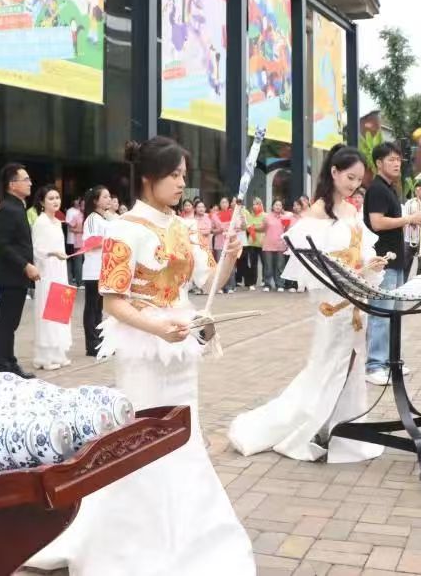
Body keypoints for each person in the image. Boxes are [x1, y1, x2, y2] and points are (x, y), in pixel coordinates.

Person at [28, 137, 253, 576]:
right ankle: (131, 540)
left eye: (184, 176)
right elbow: (114, 301)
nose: (182, 184)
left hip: (180, 346)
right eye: (175, 175)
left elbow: (210, 282)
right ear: (149, 178)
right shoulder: (122, 229)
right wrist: (158, 328)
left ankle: (191, 534)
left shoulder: (185, 228)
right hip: (143, 350)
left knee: (185, 434)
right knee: (141, 439)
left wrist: (230, 257)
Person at [229, 146, 388, 462]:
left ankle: (343, 426)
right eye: (350, 177)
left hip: (357, 298)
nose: (354, 185)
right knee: (330, 363)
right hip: (334, 302)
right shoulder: (315, 215)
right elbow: (315, 268)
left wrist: (371, 264)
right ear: (334, 172)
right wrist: (353, 273)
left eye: (359, 180)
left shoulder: (352, 210)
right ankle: (314, 427)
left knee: (353, 363)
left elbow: (361, 249)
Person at [364, 142, 421, 386]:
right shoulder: (377, 189)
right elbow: (377, 222)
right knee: (382, 313)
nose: (397, 163)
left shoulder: (389, 188)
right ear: (379, 163)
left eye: (398, 159)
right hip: (382, 262)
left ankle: (390, 361)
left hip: (395, 261)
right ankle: (374, 365)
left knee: (394, 314)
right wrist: (408, 218)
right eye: (391, 159)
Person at [0, 163, 39, 377]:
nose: (30, 183)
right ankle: (2, 364)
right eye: (25, 179)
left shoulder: (18, 207)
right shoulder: (7, 209)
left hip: (17, 276)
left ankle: (8, 361)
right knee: (7, 322)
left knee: (11, 322)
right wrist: (25, 265)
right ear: (12, 184)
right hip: (11, 275)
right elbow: (4, 245)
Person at [32, 185, 73, 370]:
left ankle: (59, 353)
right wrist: (53, 253)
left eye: (57, 197)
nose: (55, 201)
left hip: (60, 270)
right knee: (47, 311)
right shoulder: (41, 222)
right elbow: (36, 249)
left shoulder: (57, 222)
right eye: (51, 198)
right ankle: (44, 357)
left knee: (60, 310)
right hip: (47, 271)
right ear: (42, 202)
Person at [81, 185, 112, 357]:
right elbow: (91, 242)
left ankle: (99, 342)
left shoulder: (104, 219)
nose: (109, 199)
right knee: (92, 307)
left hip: (103, 269)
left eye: (109, 196)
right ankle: (91, 344)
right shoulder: (92, 219)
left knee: (99, 308)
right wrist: (110, 240)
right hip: (93, 270)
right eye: (105, 197)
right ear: (95, 201)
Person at [258, 199, 289, 291]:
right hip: (268, 245)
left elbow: (286, 230)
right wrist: (252, 228)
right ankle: (267, 284)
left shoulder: (285, 218)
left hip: (280, 245)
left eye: (280, 205)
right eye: (276, 205)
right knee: (268, 266)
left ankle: (280, 284)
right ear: (272, 206)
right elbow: (262, 228)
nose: (278, 207)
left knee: (280, 266)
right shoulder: (267, 217)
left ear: (282, 207)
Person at [239, 197, 264, 290]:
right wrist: (250, 226)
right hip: (252, 242)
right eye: (253, 204)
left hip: (262, 242)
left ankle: (265, 281)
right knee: (253, 263)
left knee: (265, 263)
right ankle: (253, 282)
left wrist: (253, 227)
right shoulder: (250, 215)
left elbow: (263, 227)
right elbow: (247, 227)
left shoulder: (265, 215)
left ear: (261, 205)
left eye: (257, 204)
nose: (255, 206)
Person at [213, 196, 236, 293]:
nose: (224, 204)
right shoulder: (215, 215)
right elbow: (212, 230)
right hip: (219, 243)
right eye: (222, 202)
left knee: (230, 266)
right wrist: (221, 229)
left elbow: (238, 226)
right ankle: (220, 286)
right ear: (220, 204)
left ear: (228, 204)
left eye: (226, 202)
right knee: (220, 266)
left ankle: (230, 286)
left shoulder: (233, 214)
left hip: (230, 243)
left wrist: (227, 227)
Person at [403, 183, 421, 275]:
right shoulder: (409, 203)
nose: (418, 191)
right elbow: (405, 217)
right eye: (417, 189)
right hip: (409, 238)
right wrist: (412, 221)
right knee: (406, 266)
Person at [65, 196, 85, 288]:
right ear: (80, 206)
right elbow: (70, 228)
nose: (84, 207)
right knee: (78, 263)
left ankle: (85, 281)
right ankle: (79, 282)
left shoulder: (89, 215)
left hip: (88, 243)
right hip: (79, 242)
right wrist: (81, 230)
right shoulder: (77, 216)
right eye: (82, 205)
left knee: (86, 262)